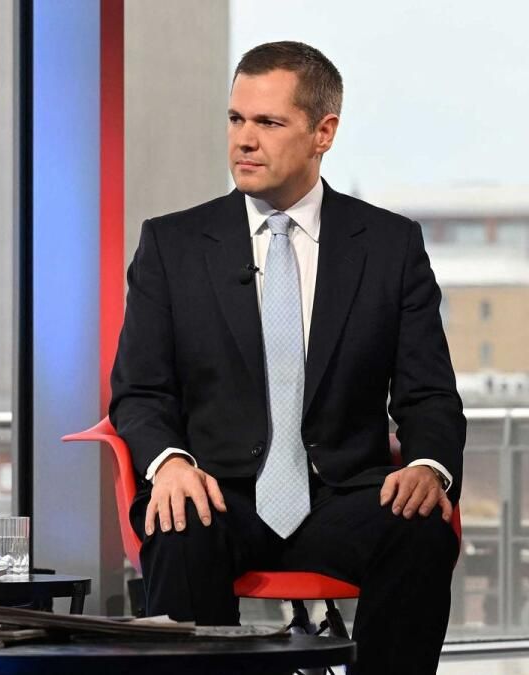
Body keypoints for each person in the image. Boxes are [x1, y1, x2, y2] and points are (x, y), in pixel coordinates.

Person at [109, 41, 464, 674]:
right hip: (216, 491)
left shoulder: (390, 245)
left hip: (342, 495)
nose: (244, 140)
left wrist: (428, 466)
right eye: (235, 119)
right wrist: (169, 463)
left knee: (419, 530)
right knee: (180, 523)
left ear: (323, 132)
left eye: (268, 122)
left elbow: (428, 394)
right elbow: (141, 392)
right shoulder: (172, 245)